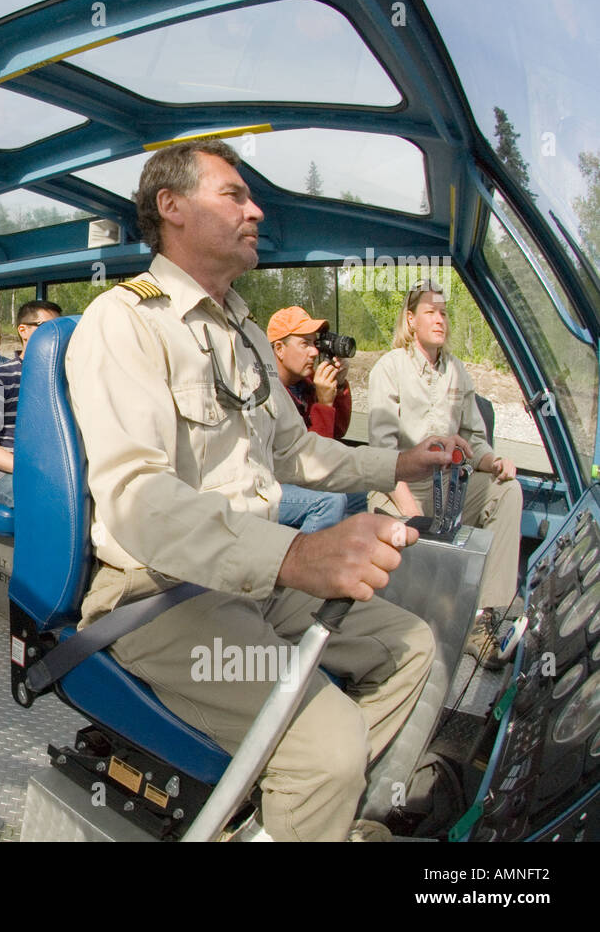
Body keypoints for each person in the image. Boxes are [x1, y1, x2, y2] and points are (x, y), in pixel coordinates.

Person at [65, 140, 466, 841]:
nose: (256, 210)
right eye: (234, 195)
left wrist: (398, 467)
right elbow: (136, 497)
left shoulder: (244, 332)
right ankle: (310, 795)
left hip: (255, 583)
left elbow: (293, 450)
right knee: (330, 744)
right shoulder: (125, 320)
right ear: (172, 206)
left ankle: (289, 818)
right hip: (159, 594)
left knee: (414, 648)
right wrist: (295, 556)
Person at [367, 277, 523, 612]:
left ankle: (485, 613)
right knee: (407, 532)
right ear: (411, 320)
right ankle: (418, 608)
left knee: (507, 491)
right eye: (431, 312)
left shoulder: (457, 371)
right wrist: (411, 508)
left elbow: (473, 440)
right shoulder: (389, 369)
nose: (440, 320)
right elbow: (382, 454)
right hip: (400, 486)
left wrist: (493, 462)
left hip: (449, 487)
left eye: (445, 313)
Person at [266, 306, 367, 534]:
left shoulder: (306, 384)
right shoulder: (267, 391)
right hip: (273, 482)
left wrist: (339, 387)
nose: (313, 352)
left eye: (314, 343)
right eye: (304, 344)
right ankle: (301, 564)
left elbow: (338, 430)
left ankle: (348, 556)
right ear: (279, 349)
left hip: (300, 475)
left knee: (362, 489)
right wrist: (324, 404)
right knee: (331, 501)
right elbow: (310, 461)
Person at [0, 301, 62, 507]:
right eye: (48, 328)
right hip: (10, 472)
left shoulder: (66, 377)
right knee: (44, 504)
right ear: (23, 330)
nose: (57, 335)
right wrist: (29, 469)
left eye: (60, 329)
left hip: (58, 470)